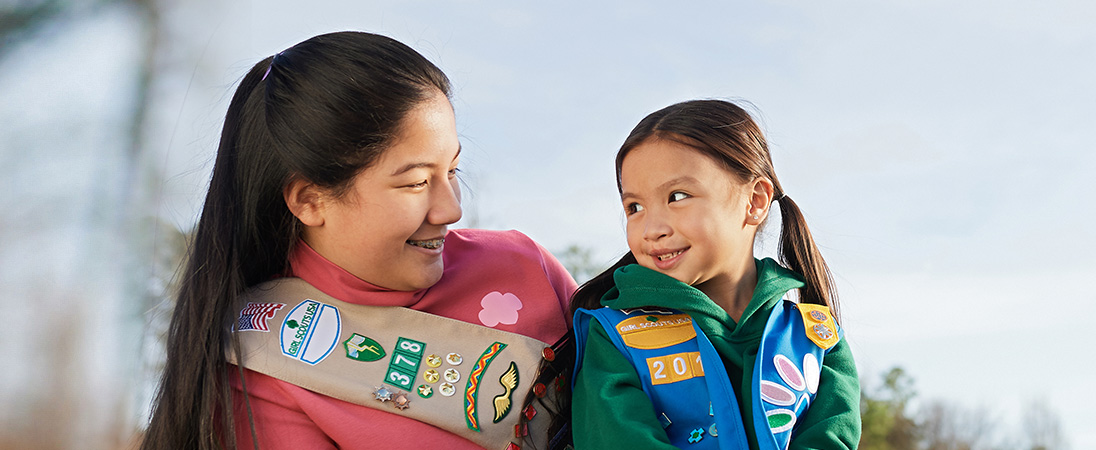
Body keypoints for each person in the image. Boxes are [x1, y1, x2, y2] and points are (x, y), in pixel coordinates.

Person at [140, 31, 577, 450]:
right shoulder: (262, 365)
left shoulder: (521, 262)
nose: (451, 210)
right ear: (311, 200)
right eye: (415, 182)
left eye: (453, 171)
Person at [554, 99, 861, 449]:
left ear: (755, 201)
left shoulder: (816, 338)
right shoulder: (615, 337)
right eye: (634, 207)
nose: (651, 228)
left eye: (678, 196)